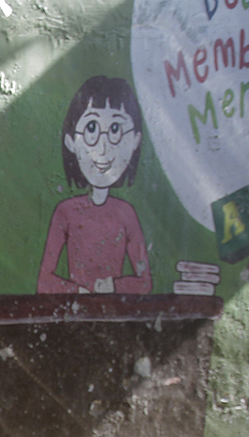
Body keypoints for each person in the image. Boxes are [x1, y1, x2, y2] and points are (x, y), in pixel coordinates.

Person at [37, 76, 152, 295]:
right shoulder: (66, 212)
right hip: (75, 313)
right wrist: (78, 292)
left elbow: (144, 282)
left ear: (135, 141)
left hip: (115, 317)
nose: (103, 147)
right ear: (71, 141)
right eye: (91, 128)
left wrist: (112, 286)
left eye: (116, 129)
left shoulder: (125, 213)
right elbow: (45, 281)